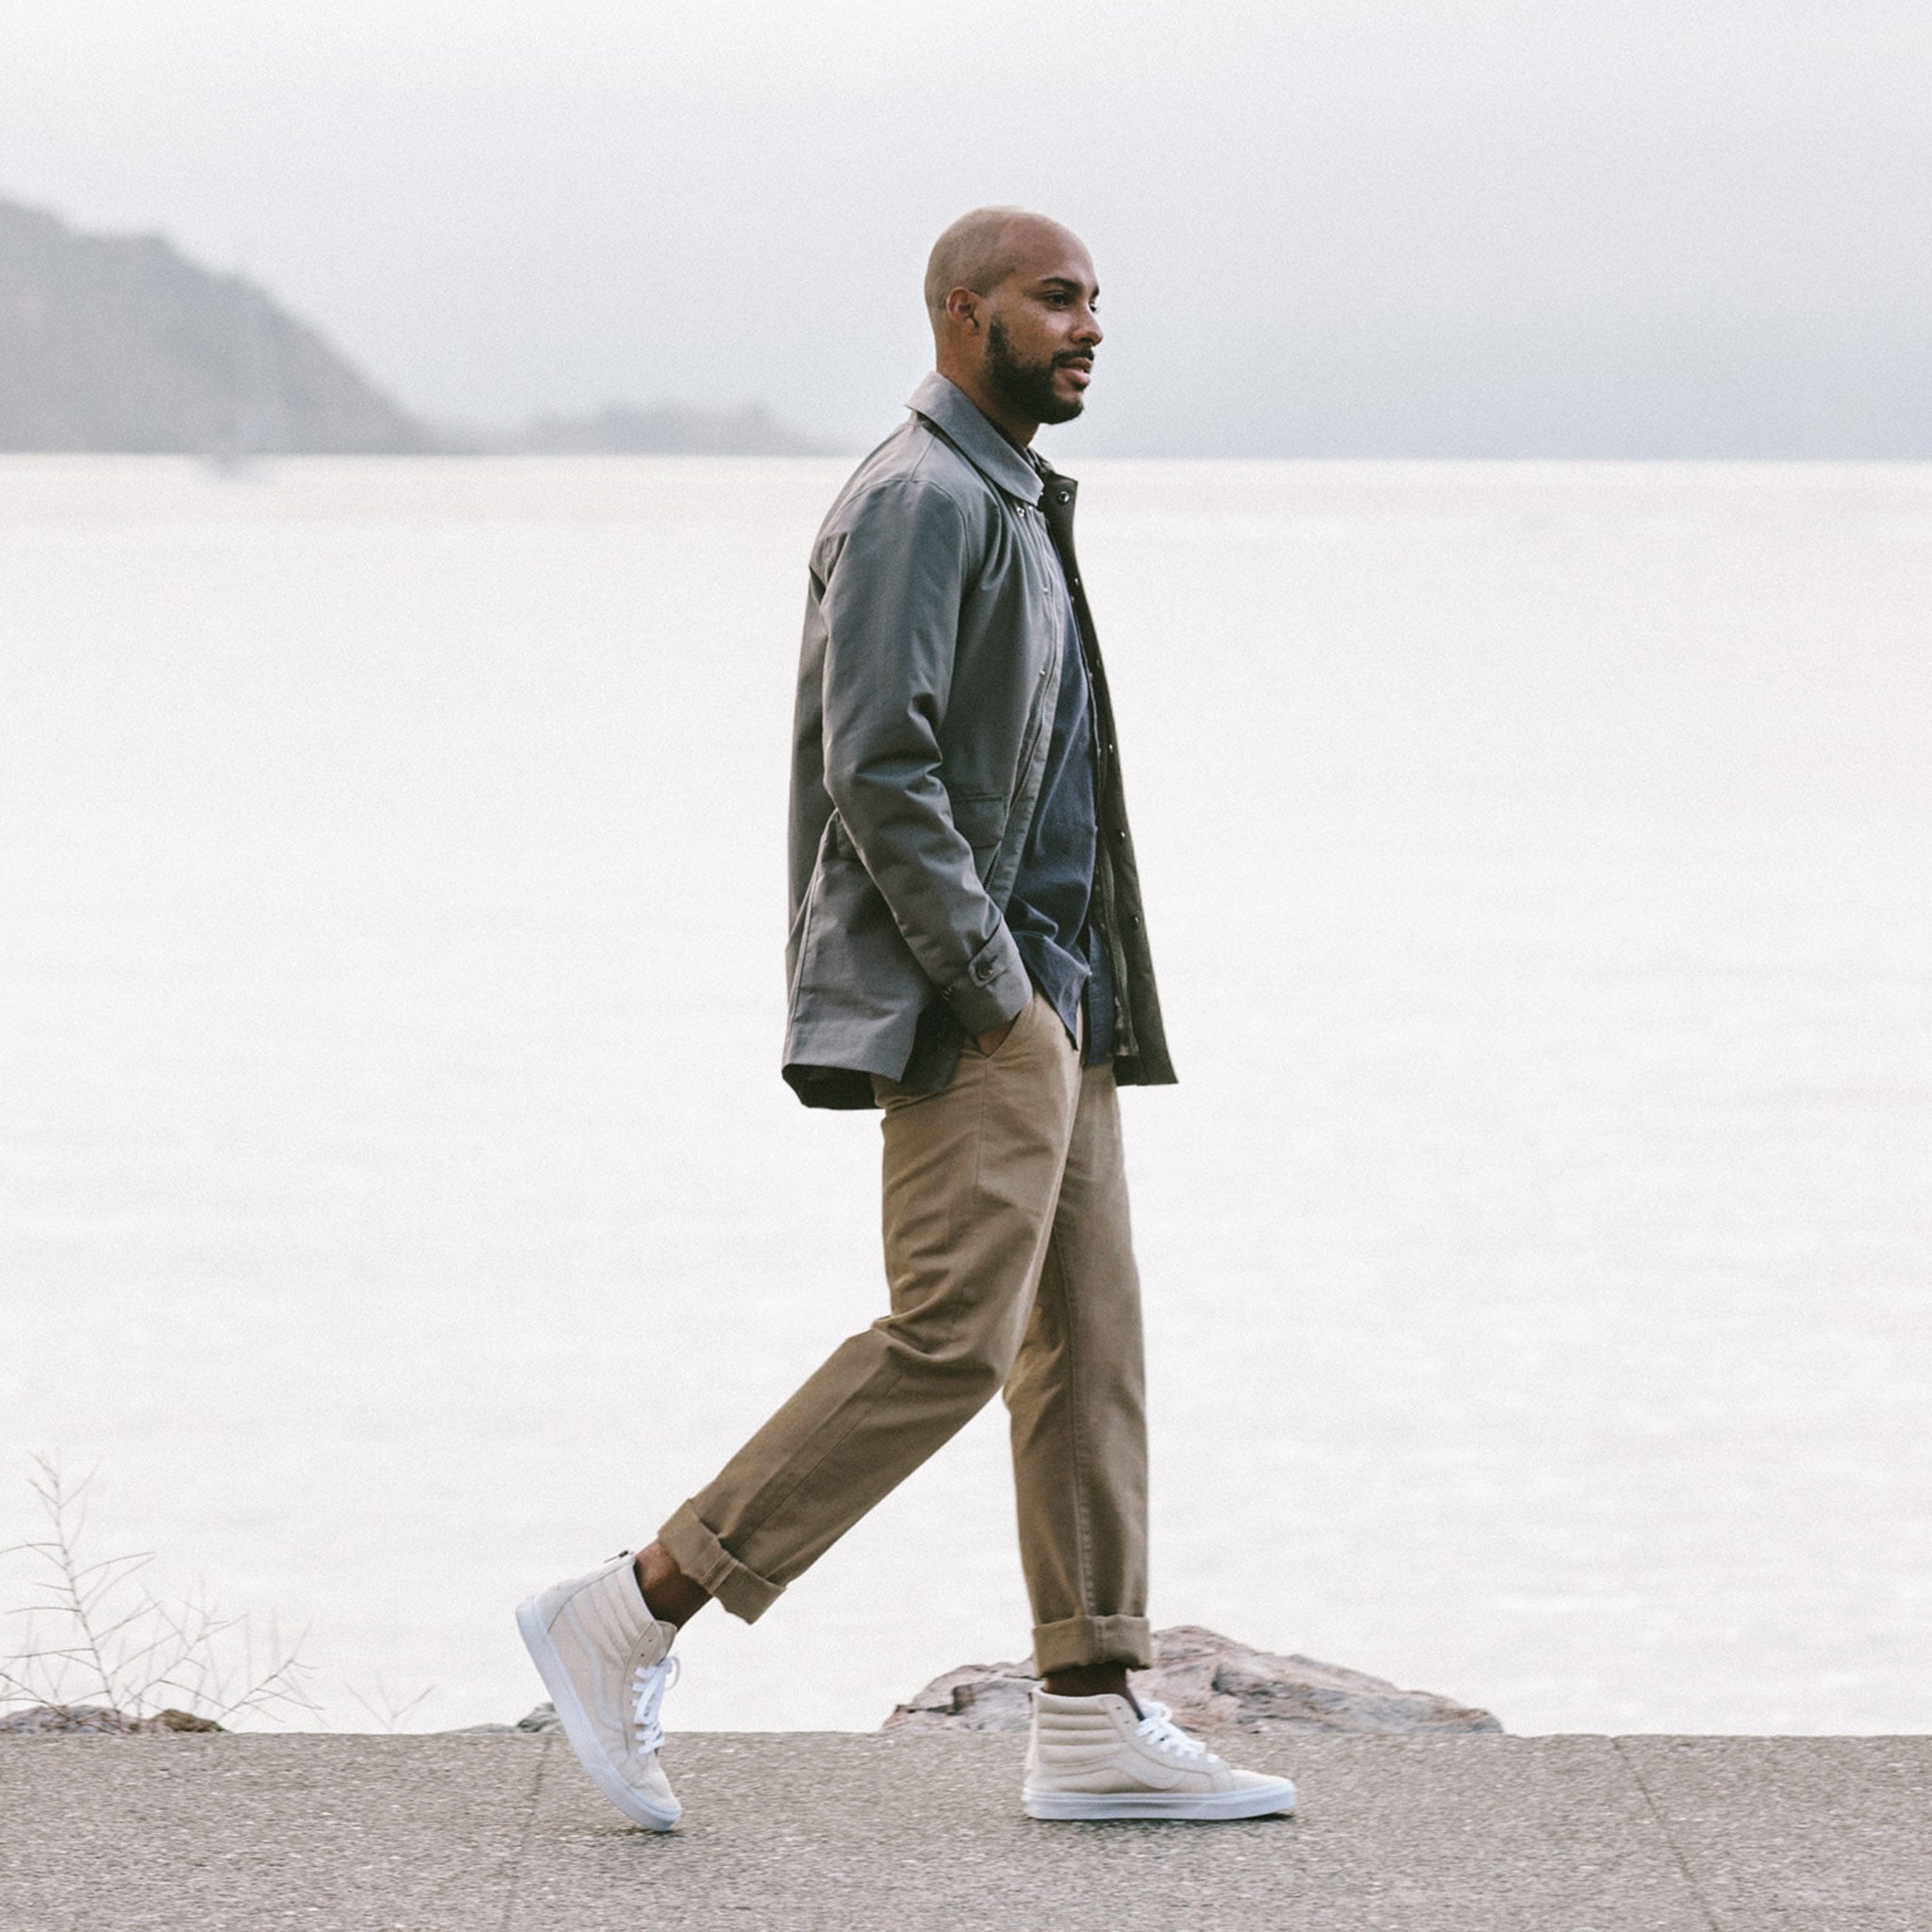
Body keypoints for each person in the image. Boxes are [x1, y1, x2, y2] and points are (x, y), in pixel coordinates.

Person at [516, 208, 1296, 1827]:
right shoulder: (918, 499)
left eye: (1095, 302)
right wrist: (992, 990)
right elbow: (883, 765)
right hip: (986, 1002)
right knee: (950, 1340)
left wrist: (1063, 1002)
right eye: (1056, 299)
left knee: (1089, 1352)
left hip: (1064, 1000)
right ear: (963, 312)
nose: (1090, 327)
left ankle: (1089, 1716)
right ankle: (631, 1610)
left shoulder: (1007, 493)